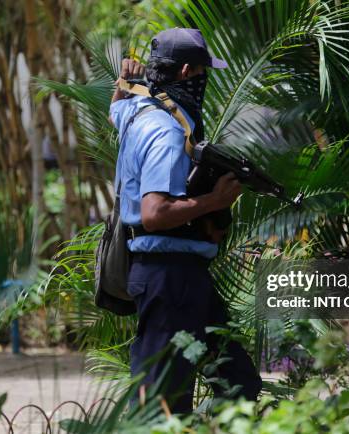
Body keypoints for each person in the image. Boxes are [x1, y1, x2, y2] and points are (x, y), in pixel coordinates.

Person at [108, 28, 262, 414]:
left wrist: (127, 84)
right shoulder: (165, 130)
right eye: (201, 74)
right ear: (187, 72)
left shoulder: (136, 110)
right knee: (160, 403)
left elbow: (116, 109)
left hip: (181, 277)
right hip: (168, 278)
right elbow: (154, 213)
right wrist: (215, 200)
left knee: (237, 380)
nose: (203, 82)